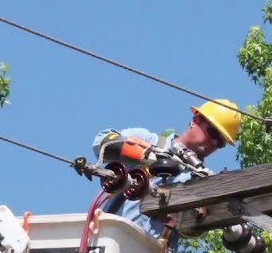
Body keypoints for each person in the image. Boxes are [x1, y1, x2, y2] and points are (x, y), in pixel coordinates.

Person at [91, 99, 242, 244]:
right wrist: (146, 156)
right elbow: (101, 141)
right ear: (195, 121)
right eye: (214, 134)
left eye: (221, 143)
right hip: (112, 239)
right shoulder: (148, 141)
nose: (215, 143)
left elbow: (192, 231)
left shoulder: (201, 182)